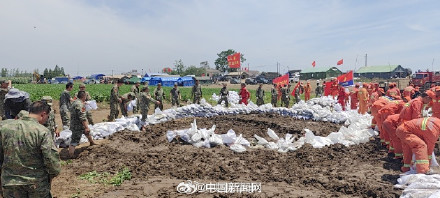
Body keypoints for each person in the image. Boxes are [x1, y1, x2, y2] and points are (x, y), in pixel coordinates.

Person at [0, 101, 61, 197]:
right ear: (43, 114)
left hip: (10, 182)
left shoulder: (4, 128)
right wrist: (54, 172)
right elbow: (50, 158)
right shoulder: (42, 131)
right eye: (47, 117)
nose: (46, 120)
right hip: (36, 183)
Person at [69, 91, 97, 158]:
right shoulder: (80, 105)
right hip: (78, 125)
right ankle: (71, 155)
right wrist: (86, 127)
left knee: (87, 133)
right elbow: (82, 117)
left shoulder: (75, 102)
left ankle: (91, 142)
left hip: (75, 123)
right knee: (74, 141)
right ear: (83, 96)